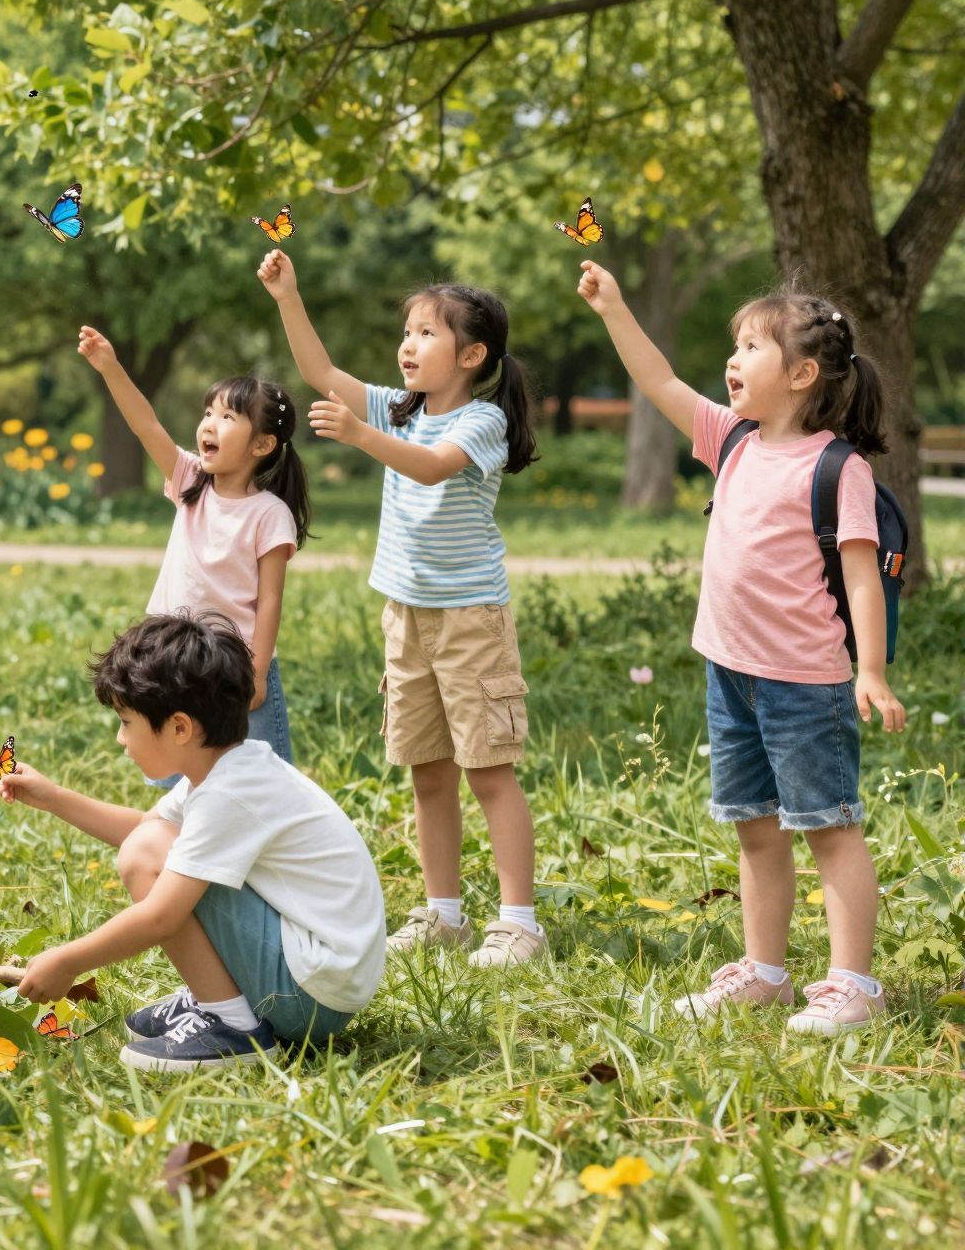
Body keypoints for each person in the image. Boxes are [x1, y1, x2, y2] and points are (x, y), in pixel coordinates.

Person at [577, 262, 904, 1033]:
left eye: (750, 346)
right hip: (731, 675)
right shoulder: (732, 440)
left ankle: (854, 984)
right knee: (755, 828)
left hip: (805, 685)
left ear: (800, 373)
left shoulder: (837, 466)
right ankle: (764, 972)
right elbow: (657, 381)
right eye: (734, 345)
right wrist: (616, 309)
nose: (732, 360)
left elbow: (862, 577)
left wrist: (874, 673)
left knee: (828, 827)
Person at [260, 249, 546, 967]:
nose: (409, 345)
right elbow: (323, 376)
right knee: (426, 769)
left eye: (427, 333)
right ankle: (442, 912)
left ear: (473, 354)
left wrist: (360, 437)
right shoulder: (401, 407)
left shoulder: (479, 421)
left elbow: (432, 466)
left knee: (488, 770)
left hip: (470, 620)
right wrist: (289, 295)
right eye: (408, 331)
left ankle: (519, 922)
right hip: (407, 615)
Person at [1, 614, 384, 1071]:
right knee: (149, 844)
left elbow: (160, 911)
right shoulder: (231, 768)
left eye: (126, 722)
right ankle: (225, 1003)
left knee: (146, 858)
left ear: (180, 728)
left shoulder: (230, 794)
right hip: (317, 980)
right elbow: (146, 828)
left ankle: (234, 1027)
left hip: (309, 996)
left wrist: (68, 960)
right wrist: (54, 798)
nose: (120, 739)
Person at [76, 326, 308, 765]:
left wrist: (257, 674)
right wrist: (110, 367)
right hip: (173, 657)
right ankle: (180, 835)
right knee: (174, 770)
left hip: (233, 667)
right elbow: (145, 424)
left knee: (257, 770)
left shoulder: (268, 514)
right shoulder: (190, 482)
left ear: (262, 444)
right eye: (208, 412)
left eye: (227, 417)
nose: (209, 424)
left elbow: (271, 599)